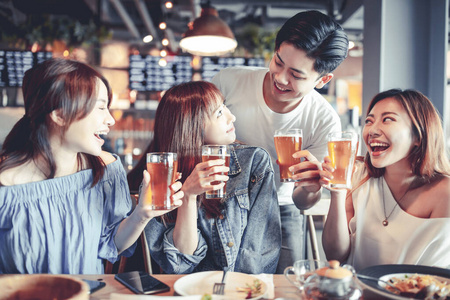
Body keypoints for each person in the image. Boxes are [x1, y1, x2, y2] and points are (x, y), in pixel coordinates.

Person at [0, 58, 182, 274]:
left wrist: (141, 213)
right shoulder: (6, 189)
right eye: (101, 107)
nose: (111, 120)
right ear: (59, 114)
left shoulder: (107, 171)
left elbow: (112, 244)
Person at [211, 10, 348, 273]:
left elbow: (302, 202)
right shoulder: (228, 82)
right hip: (218, 202)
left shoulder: (324, 121)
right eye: (278, 62)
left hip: (281, 209)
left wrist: (309, 188)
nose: (281, 78)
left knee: (288, 285)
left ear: (323, 80)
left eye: (296, 75)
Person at [127, 81, 281, 274]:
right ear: (191, 126)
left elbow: (258, 251)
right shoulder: (159, 178)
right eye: (218, 113)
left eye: (224, 106)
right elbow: (179, 265)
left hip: (242, 289)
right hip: (187, 291)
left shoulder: (253, 162)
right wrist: (188, 197)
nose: (231, 117)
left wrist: (236, 291)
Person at [320, 89, 450, 271]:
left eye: (387, 119)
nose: (372, 130)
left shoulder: (445, 192)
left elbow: (434, 278)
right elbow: (335, 255)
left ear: (418, 136)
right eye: (369, 121)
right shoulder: (358, 176)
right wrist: (338, 192)